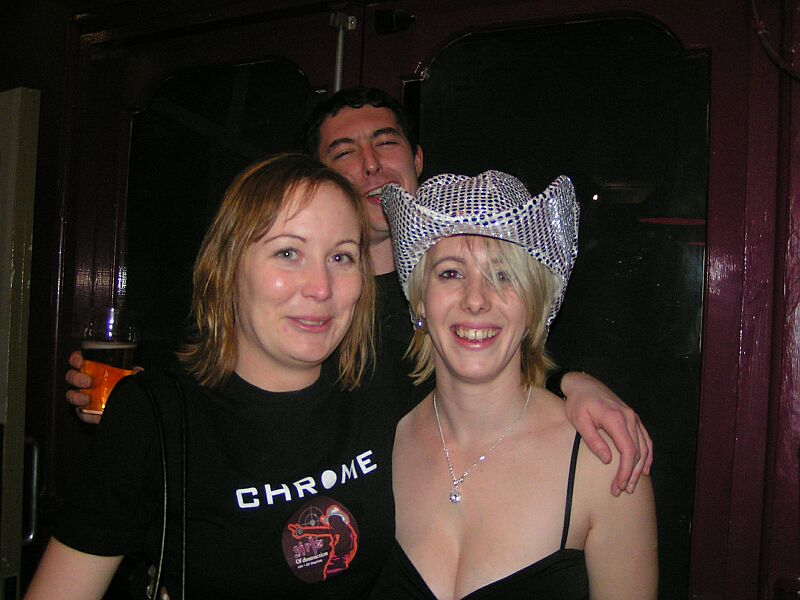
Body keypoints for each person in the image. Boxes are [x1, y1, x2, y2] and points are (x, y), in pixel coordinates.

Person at [65, 86, 651, 494]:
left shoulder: (466, 285)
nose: (370, 166)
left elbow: (507, 361)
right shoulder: (289, 307)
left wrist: (572, 382)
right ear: (317, 176)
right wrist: (144, 412)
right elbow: (216, 390)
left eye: (386, 143)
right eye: (343, 152)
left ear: (417, 159)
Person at [26, 154, 399, 599]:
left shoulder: (382, 395)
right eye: (287, 253)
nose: (321, 287)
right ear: (228, 268)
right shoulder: (154, 416)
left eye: (341, 256)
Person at [369, 171, 658, 599]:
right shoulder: (378, 447)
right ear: (420, 301)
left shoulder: (602, 462)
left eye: (503, 276)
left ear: (534, 307)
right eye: (450, 273)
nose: (476, 299)